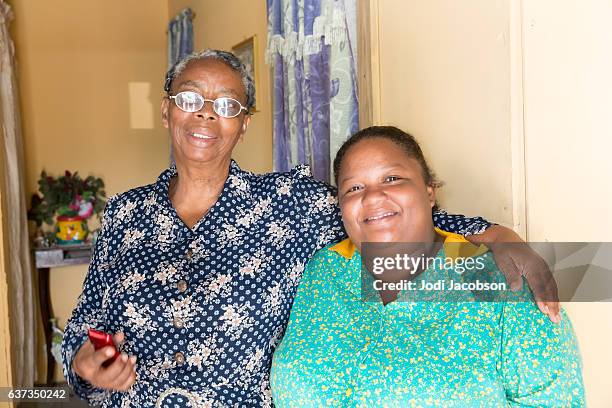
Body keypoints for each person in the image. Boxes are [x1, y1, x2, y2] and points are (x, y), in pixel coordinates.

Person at [62, 50, 559, 407]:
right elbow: (85, 330)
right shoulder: (125, 213)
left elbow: (378, 214)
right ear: (167, 109)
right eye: (190, 97)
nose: (208, 113)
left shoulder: (289, 203)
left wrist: (495, 234)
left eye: (229, 105)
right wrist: (85, 367)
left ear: (245, 125)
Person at [270, 126, 584, 407]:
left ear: (429, 191)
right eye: (353, 188)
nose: (373, 196)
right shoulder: (324, 271)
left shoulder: (503, 282)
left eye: (391, 179)